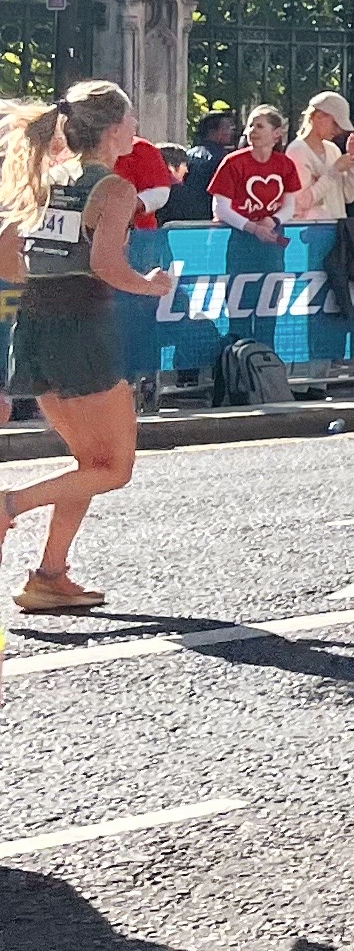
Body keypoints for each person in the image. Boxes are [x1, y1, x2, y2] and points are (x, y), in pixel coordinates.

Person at [0, 81, 176, 614]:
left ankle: (49, 576)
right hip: (83, 331)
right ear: (115, 129)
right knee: (115, 468)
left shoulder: (45, 178)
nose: (137, 128)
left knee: (88, 462)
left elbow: (7, 254)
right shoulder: (115, 189)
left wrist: (43, 282)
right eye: (132, 119)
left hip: (34, 327)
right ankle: (9, 505)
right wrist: (151, 285)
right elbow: (106, 265)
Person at [209, 107, 299, 243]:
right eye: (251, 126)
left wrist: (273, 220)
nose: (253, 130)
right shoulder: (233, 162)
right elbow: (220, 208)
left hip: (272, 235)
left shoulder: (286, 164)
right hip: (238, 235)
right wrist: (253, 228)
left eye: (260, 126)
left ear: (276, 133)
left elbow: (290, 206)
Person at [287, 91, 354, 223]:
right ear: (318, 116)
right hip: (311, 228)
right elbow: (302, 201)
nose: (338, 130)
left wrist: (353, 163)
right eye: (335, 123)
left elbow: (349, 197)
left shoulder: (332, 149)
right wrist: (334, 171)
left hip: (337, 226)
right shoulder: (296, 151)